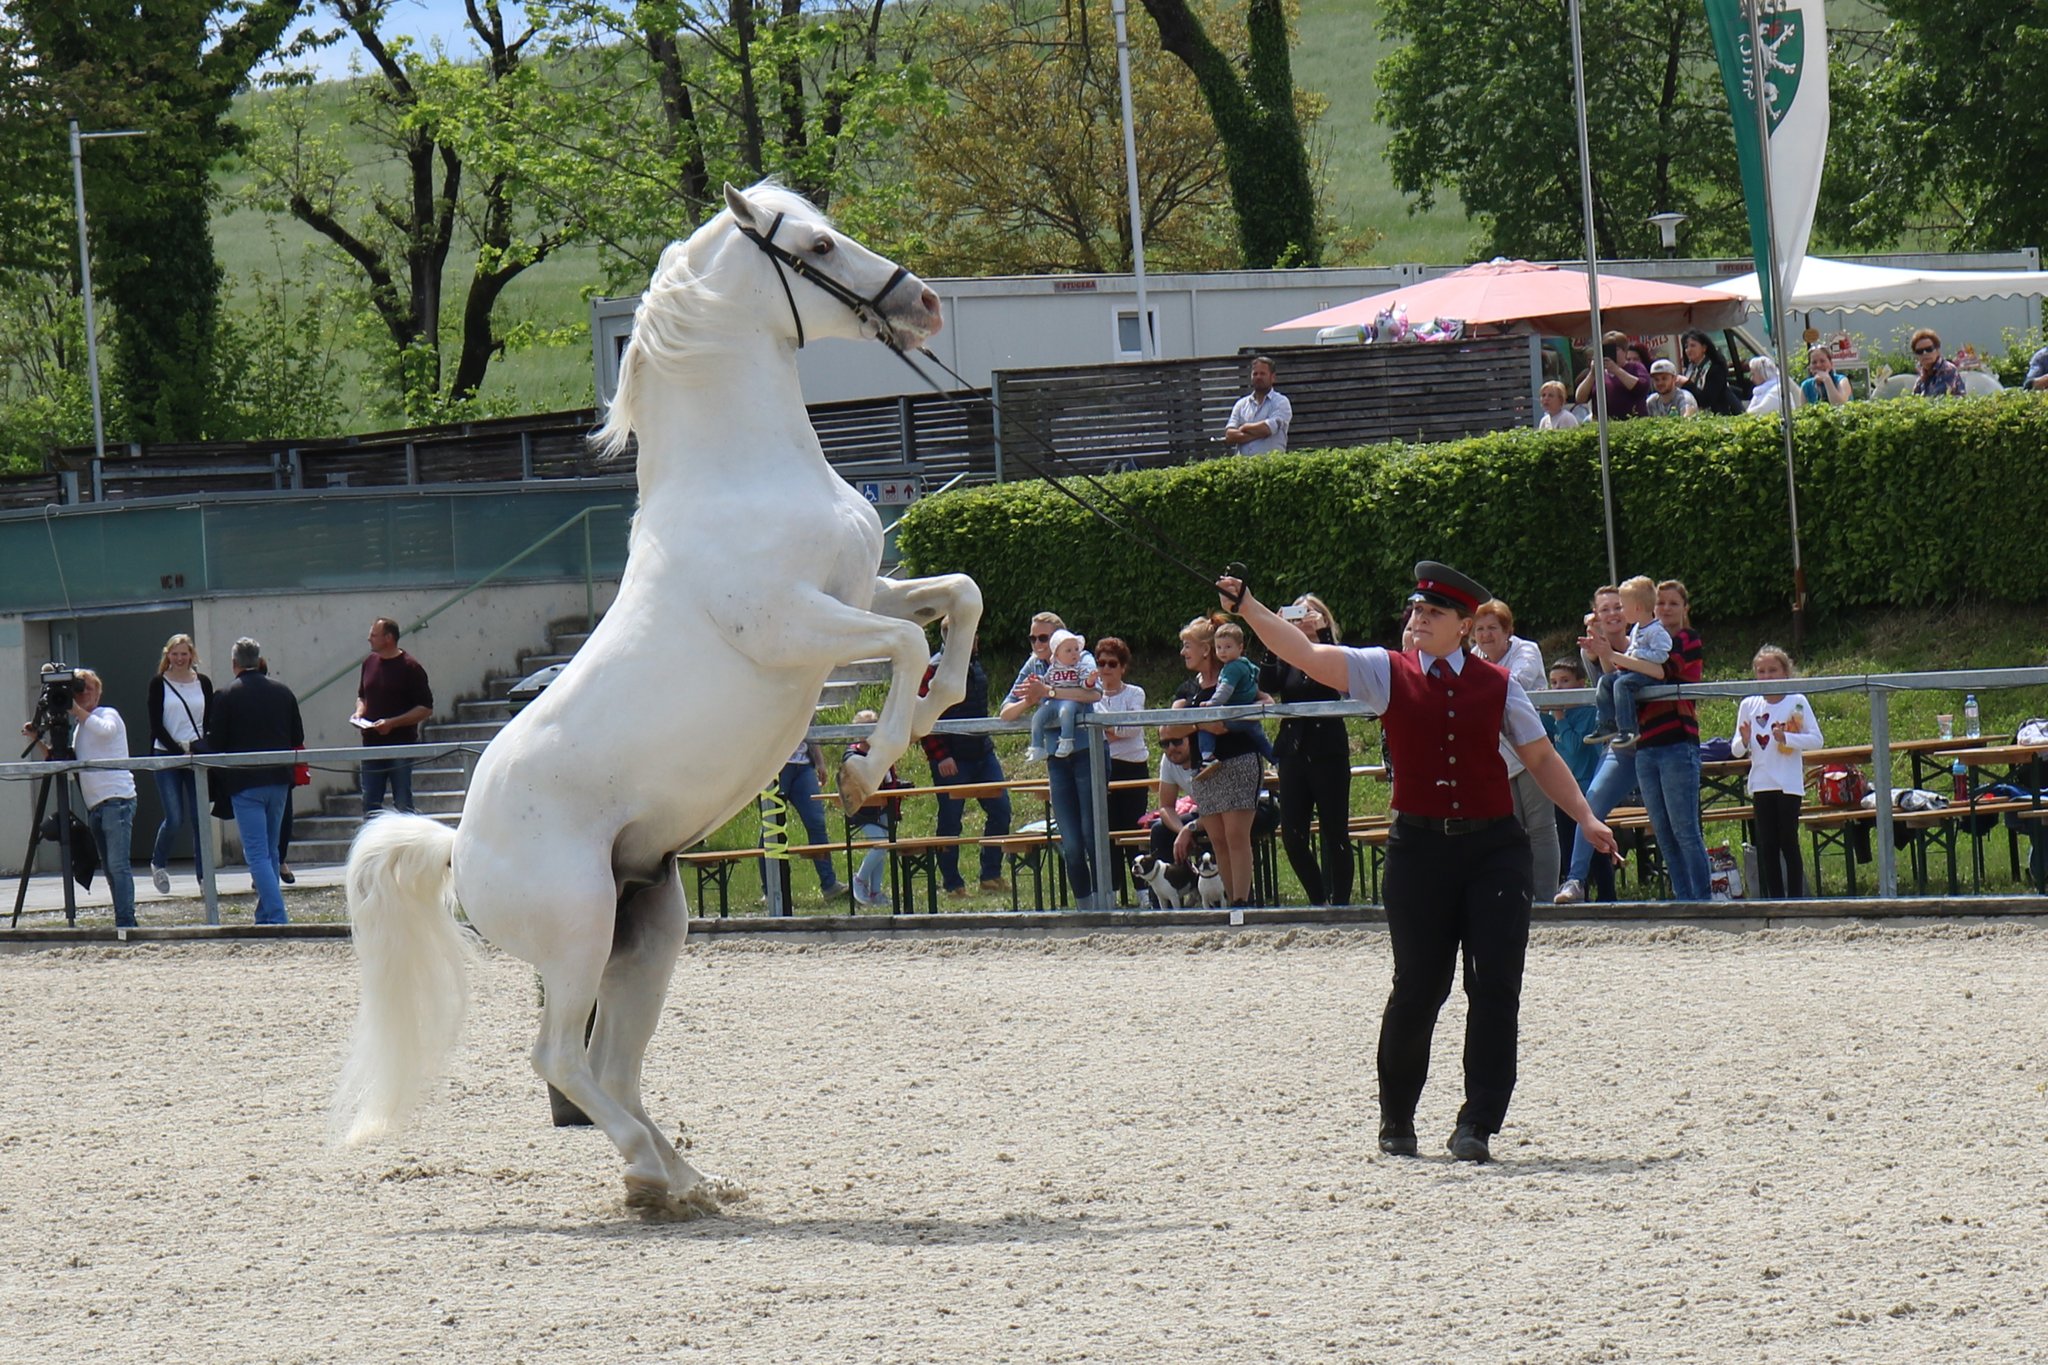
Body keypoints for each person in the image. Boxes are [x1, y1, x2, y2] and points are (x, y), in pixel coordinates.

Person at [1219, 563, 1616, 1164]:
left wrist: (1585, 817)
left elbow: (1539, 756)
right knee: (1419, 986)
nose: (1419, 619)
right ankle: (1397, 1117)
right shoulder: (1386, 671)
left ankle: (1477, 1123)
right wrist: (1248, 605)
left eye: (1434, 612)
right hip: (1419, 850)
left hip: (1494, 849)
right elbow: (1304, 652)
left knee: (1495, 985)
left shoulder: (1499, 685)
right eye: (1417, 610)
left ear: (1463, 626)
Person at [1001, 612, 1104, 908]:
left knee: (1092, 835)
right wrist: (1029, 700)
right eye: (1032, 638)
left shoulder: (1079, 656)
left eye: (1043, 638)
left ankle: (1105, 901)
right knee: (1070, 841)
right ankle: (1085, 907)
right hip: (1056, 759)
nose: (1037, 643)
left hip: (1086, 752)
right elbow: (1005, 712)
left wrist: (1049, 691)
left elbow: (1094, 694)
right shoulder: (1034, 665)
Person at [22, 670, 138, 928]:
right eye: (79, 690)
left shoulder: (107, 714)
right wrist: (37, 738)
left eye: (89, 689)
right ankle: (123, 919)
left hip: (117, 800)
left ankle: (126, 922)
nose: (84, 693)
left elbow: (106, 731)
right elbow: (63, 761)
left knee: (118, 866)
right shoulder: (80, 728)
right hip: (96, 805)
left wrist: (75, 710)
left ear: (98, 693)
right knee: (110, 868)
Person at [1260, 594, 1353, 907]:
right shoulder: (1288, 655)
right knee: (1293, 836)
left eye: (1310, 613)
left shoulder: (1332, 651)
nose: (1304, 618)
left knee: (1334, 832)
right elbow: (1268, 683)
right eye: (1298, 613)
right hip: (1294, 751)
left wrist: (1322, 633)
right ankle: (1318, 899)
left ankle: (1340, 903)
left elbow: (1338, 680)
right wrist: (1274, 633)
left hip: (1328, 751)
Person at [204, 637, 304, 926]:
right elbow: (297, 737)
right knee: (271, 850)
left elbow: (216, 743)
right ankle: (265, 914)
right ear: (260, 661)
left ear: (234, 663)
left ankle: (277, 915)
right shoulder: (283, 692)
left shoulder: (225, 695)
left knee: (257, 853)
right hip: (279, 780)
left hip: (245, 783)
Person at [1170, 614, 1260, 908]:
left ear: (1205, 649)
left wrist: (1233, 720)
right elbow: (1170, 728)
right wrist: (1203, 722)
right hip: (1205, 769)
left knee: (1236, 835)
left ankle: (1242, 901)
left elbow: (1266, 702)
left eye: (1188, 646)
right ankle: (1231, 900)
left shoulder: (1234, 675)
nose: (1183, 652)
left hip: (1238, 760)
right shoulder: (1188, 689)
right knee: (1218, 839)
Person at [1472, 599, 1556, 901]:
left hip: (1533, 751)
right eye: (1479, 629)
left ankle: (1544, 898)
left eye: (1492, 628)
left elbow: (1513, 684)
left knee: (1541, 828)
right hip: (1498, 757)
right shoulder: (1473, 657)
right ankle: (1518, 898)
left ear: (1507, 630)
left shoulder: (1526, 650)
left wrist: (1475, 689)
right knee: (1512, 829)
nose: (1485, 635)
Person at [919, 630, 1011, 899]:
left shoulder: (974, 664)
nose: (975, 640)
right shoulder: (934, 669)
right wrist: (940, 755)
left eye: (975, 634)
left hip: (982, 752)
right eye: (969, 634)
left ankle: (990, 875)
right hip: (951, 759)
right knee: (950, 821)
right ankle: (952, 884)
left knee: (1001, 811)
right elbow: (921, 713)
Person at [1732, 645, 1823, 899]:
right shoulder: (1749, 704)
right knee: (1767, 845)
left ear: (1785, 672)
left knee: (1788, 841)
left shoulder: (1796, 702)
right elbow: (1736, 749)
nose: (1767, 676)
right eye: (1761, 671)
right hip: (1761, 782)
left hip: (1788, 783)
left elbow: (1816, 740)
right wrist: (1745, 739)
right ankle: (1774, 898)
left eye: (1772, 670)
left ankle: (1795, 898)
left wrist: (1788, 738)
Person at [145, 632, 213, 894]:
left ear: (191, 655)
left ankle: (204, 878)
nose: (180, 658)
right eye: (175, 654)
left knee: (199, 818)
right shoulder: (158, 683)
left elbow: (209, 720)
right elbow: (156, 725)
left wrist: (201, 747)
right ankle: (158, 862)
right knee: (175, 818)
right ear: (168, 655)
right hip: (167, 754)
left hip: (196, 754)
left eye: (184, 654)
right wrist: (178, 750)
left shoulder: (203, 682)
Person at [1541, 656, 1613, 902]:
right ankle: (1577, 895)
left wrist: (1559, 718)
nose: (1557, 688)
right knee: (1567, 845)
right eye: (1553, 682)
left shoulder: (1588, 712)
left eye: (1564, 681)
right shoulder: (1554, 715)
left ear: (1581, 684)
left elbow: (1574, 748)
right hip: (1563, 792)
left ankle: (1608, 897)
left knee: (1595, 849)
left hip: (1586, 789)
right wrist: (1548, 715)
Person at [353, 617, 433, 817]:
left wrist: (392, 723)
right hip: (371, 745)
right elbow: (362, 696)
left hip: (400, 745)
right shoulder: (369, 662)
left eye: (374, 635)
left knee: (403, 802)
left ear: (388, 638)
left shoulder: (410, 667)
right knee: (370, 803)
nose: (369, 639)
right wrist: (359, 713)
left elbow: (425, 708)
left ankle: (407, 837)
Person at [1092, 636, 1152, 901]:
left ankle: (1143, 892)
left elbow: (1133, 727)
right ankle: (1111, 893)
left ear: (1123, 667)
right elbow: (1105, 732)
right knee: (1108, 832)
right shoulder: (1091, 696)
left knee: (1132, 830)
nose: (1106, 669)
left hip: (1132, 767)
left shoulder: (1135, 693)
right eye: (1101, 663)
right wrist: (1115, 730)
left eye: (1112, 664)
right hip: (1103, 767)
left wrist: (1108, 729)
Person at [1583, 576, 1670, 751]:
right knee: (1606, 681)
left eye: (1621, 607)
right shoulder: (1638, 628)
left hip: (1646, 679)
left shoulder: (1655, 630)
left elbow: (1662, 654)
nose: (1618, 612)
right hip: (1632, 673)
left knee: (1621, 684)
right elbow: (1614, 664)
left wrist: (1635, 655)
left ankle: (1628, 729)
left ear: (1636, 608)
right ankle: (1607, 724)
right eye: (1605, 609)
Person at [765, 738, 849, 902]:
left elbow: (810, 728)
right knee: (771, 825)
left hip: (804, 766)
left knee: (817, 823)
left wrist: (820, 761)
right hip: (776, 766)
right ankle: (770, 889)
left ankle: (829, 884)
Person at [844, 709, 906, 910]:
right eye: (864, 730)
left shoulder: (881, 752)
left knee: (883, 845)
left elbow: (887, 779)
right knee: (882, 843)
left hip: (882, 807)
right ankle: (860, 879)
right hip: (861, 812)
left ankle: (875, 891)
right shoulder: (851, 756)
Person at [1191, 620, 1269, 776]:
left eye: (1228, 647)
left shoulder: (1231, 668)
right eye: (1219, 647)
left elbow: (1225, 690)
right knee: (1261, 739)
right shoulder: (1246, 664)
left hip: (1234, 713)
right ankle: (1276, 760)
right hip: (1249, 714)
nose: (1223, 651)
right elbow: (1261, 676)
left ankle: (1207, 756)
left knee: (1206, 725)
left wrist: (1212, 703)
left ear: (1240, 647)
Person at [1024, 629, 1097, 762]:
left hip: (1072, 701)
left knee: (1065, 711)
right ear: (1057, 654)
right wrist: (1036, 680)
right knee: (1038, 717)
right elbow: (1046, 681)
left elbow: (1085, 685)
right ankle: (1037, 747)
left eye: (1076, 649)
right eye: (1068, 650)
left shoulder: (1080, 667)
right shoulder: (1053, 669)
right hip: (1054, 701)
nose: (1074, 653)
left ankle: (1066, 740)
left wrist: (1090, 680)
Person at [1224, 355, 1291, 454]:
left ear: (1273, 377)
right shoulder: (1241, 404)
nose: (1258, 377)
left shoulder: (1281, 402)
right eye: (1255, 374)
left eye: (1262, 374)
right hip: (1243, 463)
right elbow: (1229, 436)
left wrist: (1244, 427)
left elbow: (1268, 428)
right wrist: (1257, 434)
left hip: (1271, 463)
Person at [1575, 331, 1650, 419]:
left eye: (1615, 349)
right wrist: (1592, 374)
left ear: (1625, 351)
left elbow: (1642, 387)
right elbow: (1580, 398)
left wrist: (1616, 370)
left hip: (1632, 422)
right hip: (1603, 423)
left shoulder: (1635, 367)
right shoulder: (1598, 373)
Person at [1680, 329, 1738, 415]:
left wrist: (1686, 383)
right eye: (1686, 347)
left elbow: (1705, 400)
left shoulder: (1716, 369)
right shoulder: (1689, 369)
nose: (1689, 350)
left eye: (1693, 345)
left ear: (1704, 348)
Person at [1909, 328, 1967, 398]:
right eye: (1920, 351)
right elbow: (1914, 399)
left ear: (1937, 350)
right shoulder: (1922, 375)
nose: (1925, 353)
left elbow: (1941, 399)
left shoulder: (1948, 370)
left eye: (1929, 349)